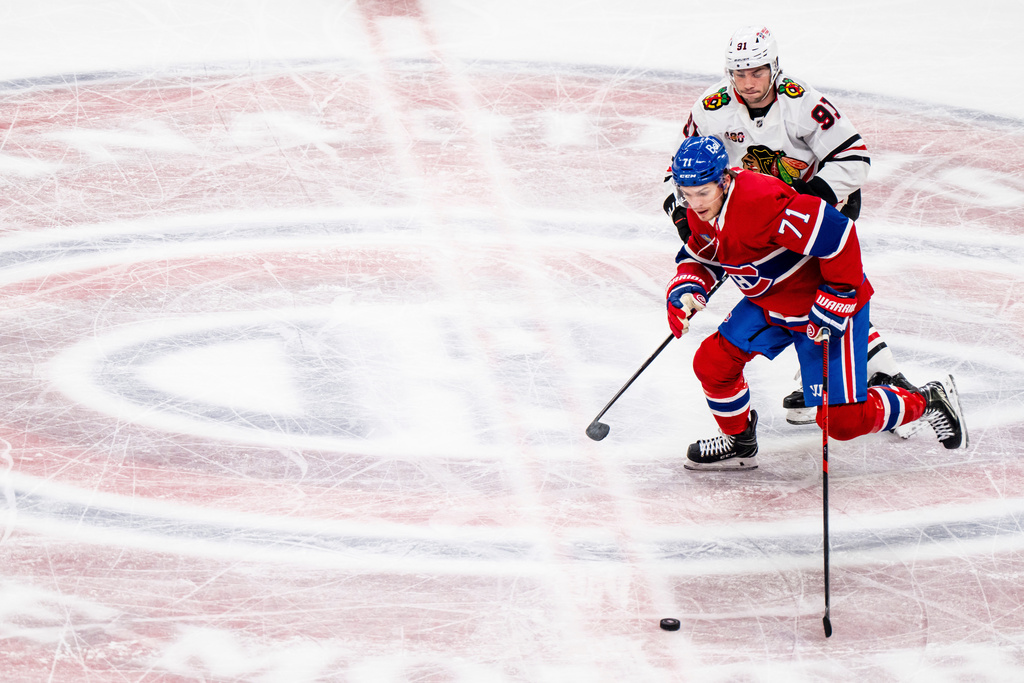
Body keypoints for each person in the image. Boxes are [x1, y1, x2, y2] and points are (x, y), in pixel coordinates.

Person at [663, 25, 915, 428]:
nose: (748, 83)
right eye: (740, 74)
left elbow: (854, 159)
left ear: (775, 67)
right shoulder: (710, 108)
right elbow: (685, 166)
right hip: (745, 211)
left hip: (812, 209)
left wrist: (804, 200)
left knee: (816, 287)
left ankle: (873, 381)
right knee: (785, 293)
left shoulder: (804, 103)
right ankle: (820, 375)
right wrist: (686, 214)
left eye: (757, 72)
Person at [664, 136, 966, 471]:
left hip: (821, 306)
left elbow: (838, 236)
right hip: (770, 303)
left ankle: (927, 401)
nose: (695, 204)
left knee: (843, 423)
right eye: (687, 195)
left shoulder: (761, 201)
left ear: (724, 180)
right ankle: (739, 441)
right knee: (713, 364)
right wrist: (687, 288)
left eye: (702, 193)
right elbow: (703, 256)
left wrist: (837, 295)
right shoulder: (699, 212)